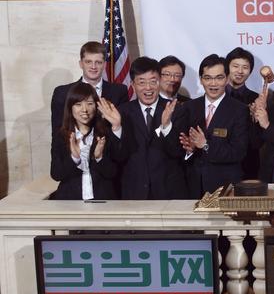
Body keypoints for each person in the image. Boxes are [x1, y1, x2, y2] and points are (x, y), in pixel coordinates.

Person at [175, 54, 249, 197]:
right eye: (208, 78)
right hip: (193, 186)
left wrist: (205, 145)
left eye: (219, 78)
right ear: (201, 80)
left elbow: (238, 152)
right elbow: (180, 148)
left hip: (225, 187)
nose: (213, 84)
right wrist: (189, 149)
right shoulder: (189, 107)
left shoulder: (239, 110)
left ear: (227, 79)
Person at [116, 56, 188, 200]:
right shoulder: (122, 113)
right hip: (134, 193)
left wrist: (166, 126)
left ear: (159, 82)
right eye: (142, 82)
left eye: (153, 81)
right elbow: (118, 156)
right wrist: (116, 127)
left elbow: (179, 152)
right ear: (133, 85)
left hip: (169, 192)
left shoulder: (176, 110)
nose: (148, 88)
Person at [50, 82, 119, 200]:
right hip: (70, 202)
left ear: (96, 107)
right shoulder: (61, 136)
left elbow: (113, 173)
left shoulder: (105, 134)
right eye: (78, 104)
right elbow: (56, 174)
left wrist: (99, 157)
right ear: (70, 107)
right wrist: (74, 158)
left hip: (102, 201)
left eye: (90, 104)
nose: (84, 110)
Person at [51, 41, 128, 138]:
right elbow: (57, 135)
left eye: (98, 62)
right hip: (74, 147)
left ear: (104, 65)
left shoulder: (119, 91)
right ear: (81, 64)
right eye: (88, 62)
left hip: (110, 147)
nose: (93, 67)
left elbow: (124, 130)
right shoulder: (62, 93)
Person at [224, 47, 261, 179]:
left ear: (250, 71)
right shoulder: (215, 95)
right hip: (218, 163)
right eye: (235, 66)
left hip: (248, 165)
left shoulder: (257, 99)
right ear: (227, 67)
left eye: (245, 67)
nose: (240, 71)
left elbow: (258, 140)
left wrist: (256, 119)